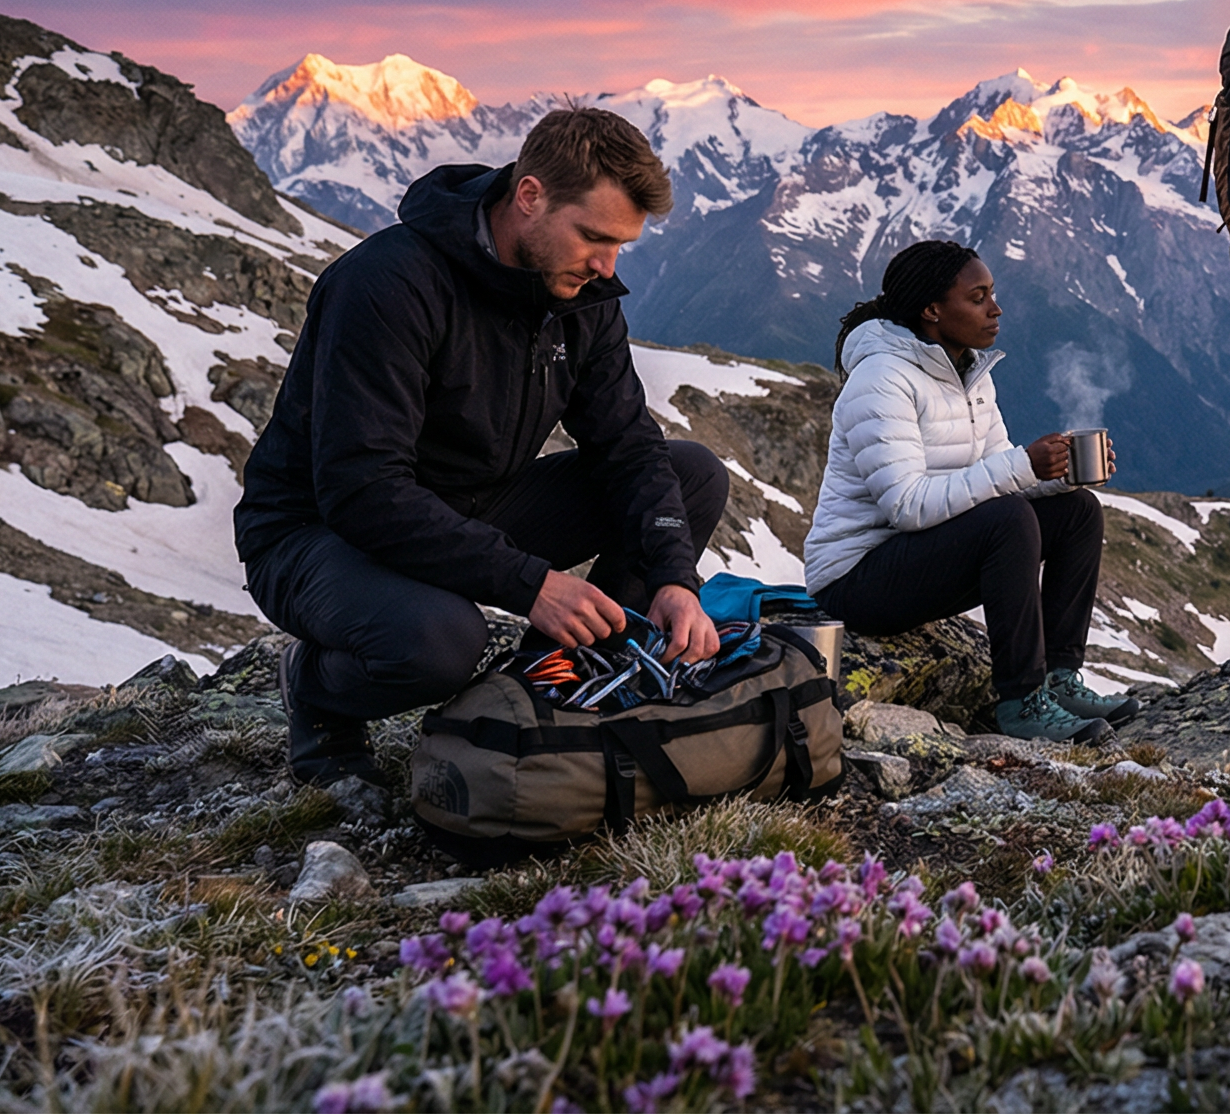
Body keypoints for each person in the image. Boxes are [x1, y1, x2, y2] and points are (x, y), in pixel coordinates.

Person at [234, 109, 730, 786]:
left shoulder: (580, 294)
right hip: (318, 530)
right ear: (529, 196)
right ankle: (317, 689)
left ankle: (548, 688)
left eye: (621, 244)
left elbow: (629, 448)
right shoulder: (387, 283)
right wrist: (531, 585)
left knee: (691, 475)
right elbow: (363, 490)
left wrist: (673, 576)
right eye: (593, 237)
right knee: (438, 642)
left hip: (468, 505)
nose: (606, 265)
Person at [801, 240, 1138, 744]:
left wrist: (1060, 473)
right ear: (932, 310)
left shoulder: (970, 374)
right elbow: (907, 506)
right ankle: (1022, 702)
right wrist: (1023, 465)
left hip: (920, 558)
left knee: (1078, 510)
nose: (995, 309)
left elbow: (997, 470)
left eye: (992, 294)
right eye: (978, 298)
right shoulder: (881, 378)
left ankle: (1059, 678)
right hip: (855, 580)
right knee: (1007, 520)